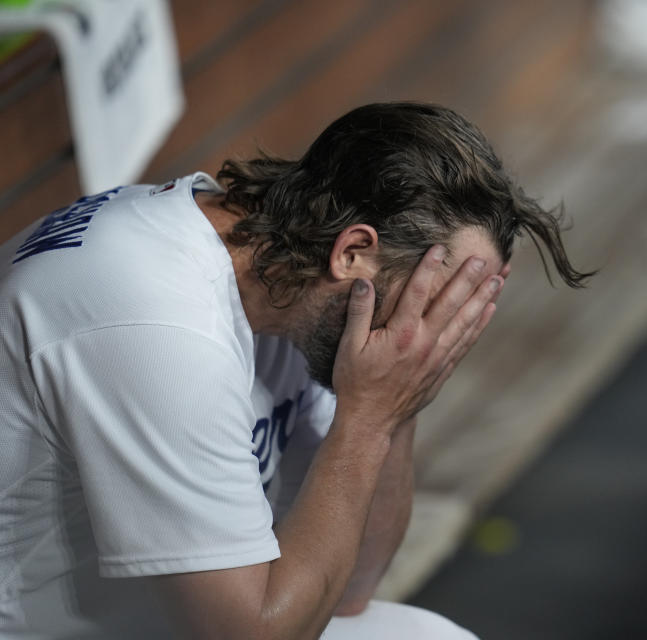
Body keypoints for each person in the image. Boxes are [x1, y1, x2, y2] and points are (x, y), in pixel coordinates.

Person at [0, 102, 591, 639]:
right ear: (352, 252)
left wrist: (399, 403)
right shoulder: (155, 323)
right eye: (428, 301)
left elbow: (351, 587)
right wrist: (368, 419)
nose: (427, 332)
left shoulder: (289, 288)